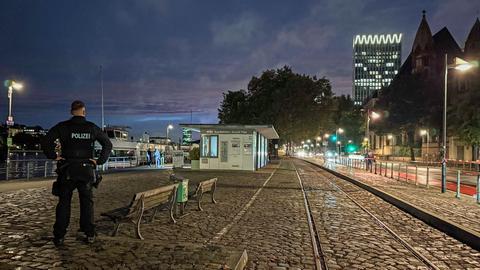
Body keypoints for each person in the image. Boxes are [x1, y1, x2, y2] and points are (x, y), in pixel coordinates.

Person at [42, 100, 112, 247]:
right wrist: (99, 161)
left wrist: (53, 155)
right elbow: (107, 144)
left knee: (64, 203)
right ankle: (89, 233)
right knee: (87, 203)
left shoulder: (63, 127)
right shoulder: (91, 128)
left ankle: (59, 235)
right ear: (84, 112)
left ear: (71, 111)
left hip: (67, 169)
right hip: (86, 169)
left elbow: (46, 140)